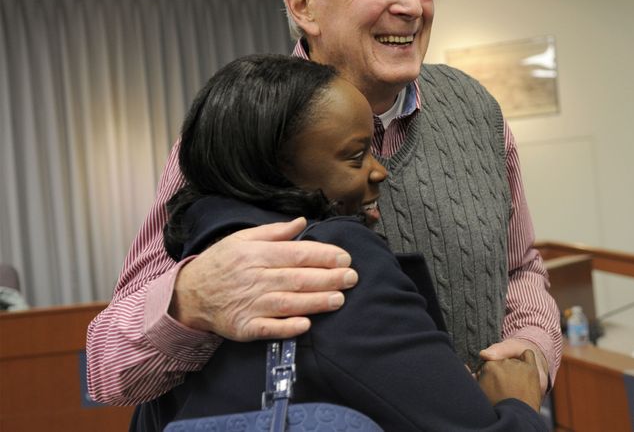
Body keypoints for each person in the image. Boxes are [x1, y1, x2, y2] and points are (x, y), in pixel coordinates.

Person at [86, 0, 562, 406]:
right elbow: (109, 369)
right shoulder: (241, 134)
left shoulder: (476, 110)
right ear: (302, 4)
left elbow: (520, 270)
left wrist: (532, 355)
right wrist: (189, 300)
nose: (411, 5)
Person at [131, 53, 545, 431]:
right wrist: (518, 402)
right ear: (276, 169)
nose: (379, 172)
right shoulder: (336, 261)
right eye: (355, 156)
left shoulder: (191, 271)